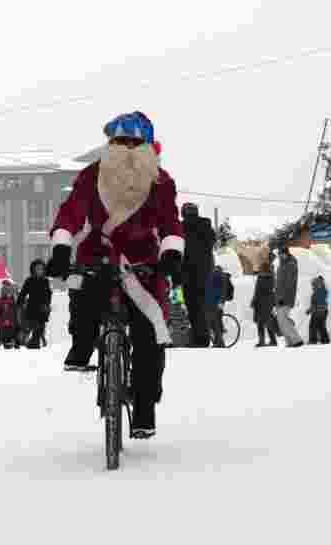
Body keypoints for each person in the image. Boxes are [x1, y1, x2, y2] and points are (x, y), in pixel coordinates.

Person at [46, 111, 184, 438]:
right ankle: (81, 346)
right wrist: (62, 246)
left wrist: (172, 252)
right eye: (120, 142)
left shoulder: (161, 182)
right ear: (110, 144)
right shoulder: (91, 176)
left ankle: (145, 406)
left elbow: (170, 222)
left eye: (134, 142)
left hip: (143, 263)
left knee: (150, 335)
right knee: (84, 302)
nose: (127, 149)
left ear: (148, 146)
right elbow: (71, 213)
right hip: (97, 254)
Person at [179, 202, 216, 347]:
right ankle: (202, 338)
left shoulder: (183, 227)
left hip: (187, 273)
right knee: (200, 306)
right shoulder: (207, 228)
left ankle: (199, 339)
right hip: (205, 273)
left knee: (192, 306)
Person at [16, 259, 53, 349]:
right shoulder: (29, 280)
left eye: (41, 269)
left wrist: (47, 305)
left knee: (40, 327)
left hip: (43, 308)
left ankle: (36, 341)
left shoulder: (45, 281)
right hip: (32, 307)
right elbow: (23, 293)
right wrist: (19, 303)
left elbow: (49, 294)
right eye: (37, 269)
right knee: (33, 326)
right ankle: (31, 341)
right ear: (33, 269)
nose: (39, 271)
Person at [273, 244, 304, 347]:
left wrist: (282, 297)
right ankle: (290, 341)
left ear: (286, 253)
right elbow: (279, 283)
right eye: (280, 255)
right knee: (281, 320)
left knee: (283, 319)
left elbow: (289, 283)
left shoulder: (290, 265)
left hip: (286, 297)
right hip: (279, 297)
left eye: (282, 254)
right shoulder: (281, 265)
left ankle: (296, 340)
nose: (281, 256)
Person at [251, 261, 278, 347]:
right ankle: (273, 340)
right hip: (269, 302)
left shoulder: (261, 277)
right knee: (267, 321)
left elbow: (257, 291)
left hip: (261, 302)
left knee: (260, 323)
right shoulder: (273, 277)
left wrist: (254, 301)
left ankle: (262, 341)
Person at [204, 265, 226, 347]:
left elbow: (212, 290)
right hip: (215, 303)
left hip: (212, 303)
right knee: (215, 323)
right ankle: (218, 342)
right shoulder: (219, 275)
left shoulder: (213, 275)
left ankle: (220, 342)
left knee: (214, 324)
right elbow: (222, 290)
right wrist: (221, 301)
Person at [0, 281, 19, 348]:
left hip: (12, 326)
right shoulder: (2, 302)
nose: (9, 294)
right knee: (3, 341)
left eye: (10, 293)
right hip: (3, 326)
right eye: (7, 293)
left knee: (11, 343)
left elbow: (17, 313)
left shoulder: (15, 303)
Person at [305, 275, 330, 344]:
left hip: (317, 312)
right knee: (321, 326)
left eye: (313, 284)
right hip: (324, 311)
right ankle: (325, 339)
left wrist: (310, 310)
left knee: (313, 326)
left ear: (317, 284)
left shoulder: (317, 293)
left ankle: (313, 340)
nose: (312, 286)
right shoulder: (323, 291)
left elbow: (315, 304)